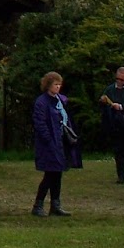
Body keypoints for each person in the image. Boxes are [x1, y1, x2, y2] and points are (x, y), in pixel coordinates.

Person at [31, 71, 81, 216]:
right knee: (50, 174)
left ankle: (55, 204)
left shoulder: (59, 100)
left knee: (57, 174)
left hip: (60, 142)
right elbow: (40, 123)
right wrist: (48, 139)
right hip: (48, 143)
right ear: (48, 85)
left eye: (59, 84)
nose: (58, 87)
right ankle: (38, 205)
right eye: (55, 84)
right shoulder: (41, 102)